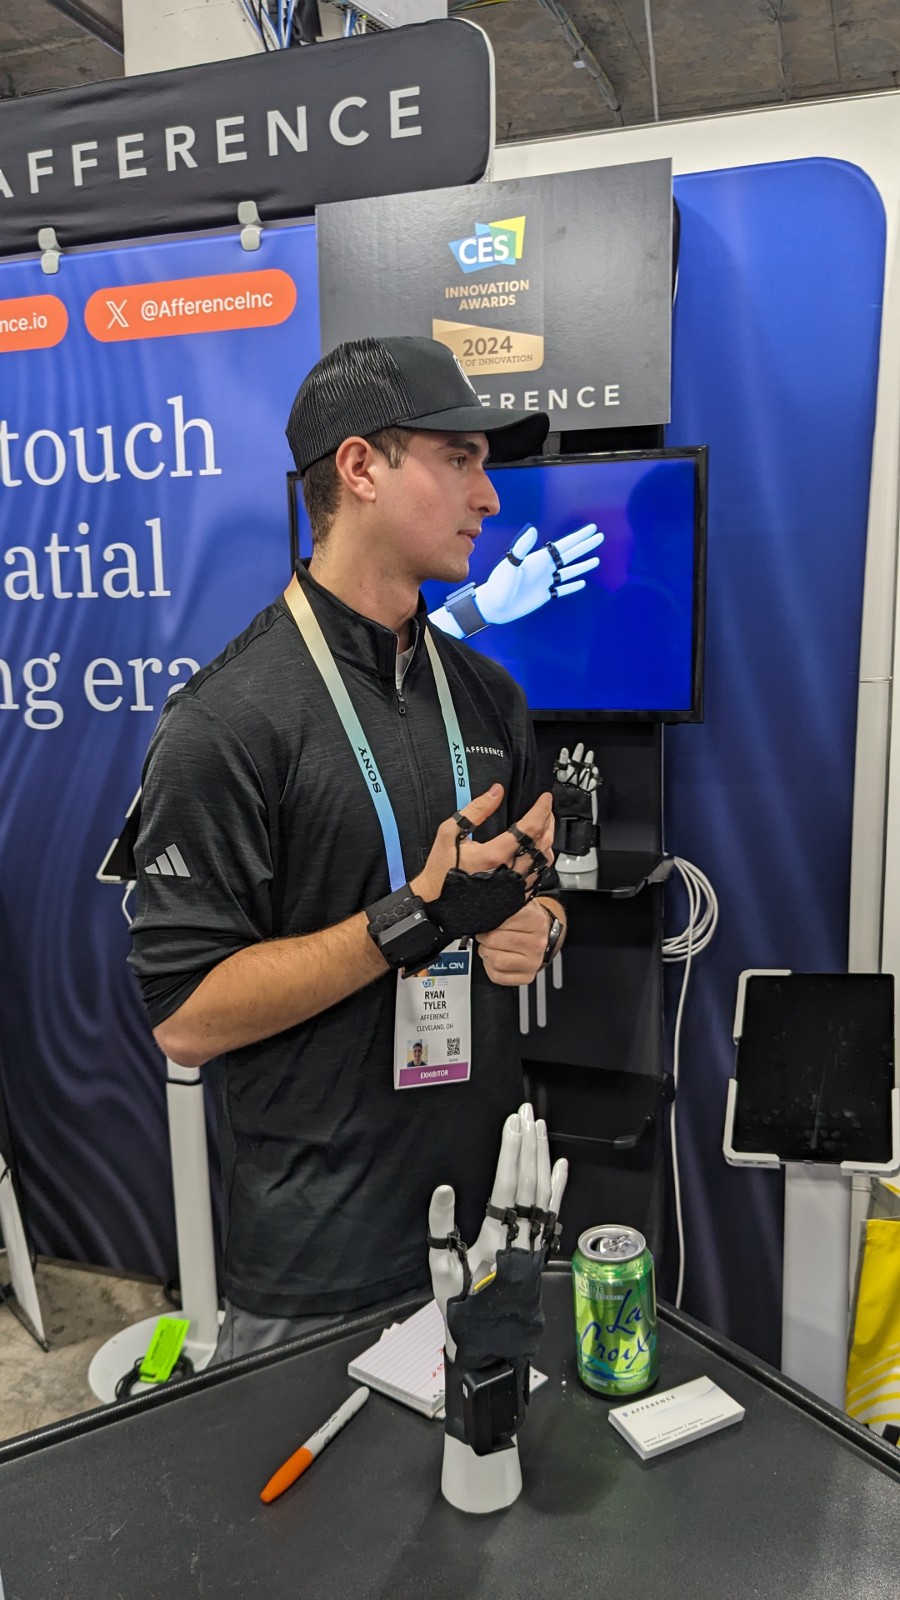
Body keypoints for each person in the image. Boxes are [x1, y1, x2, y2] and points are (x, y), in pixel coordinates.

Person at [128, 334, 568, 1362]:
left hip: (492, 1222)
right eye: (459, 458)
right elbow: (186, 1020)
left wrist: (536, 923)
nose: (491, 496)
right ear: (361, 467)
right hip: (317, 1264)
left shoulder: (490, 696)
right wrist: (416, 917)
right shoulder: (227, 719)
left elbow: (535, 882)